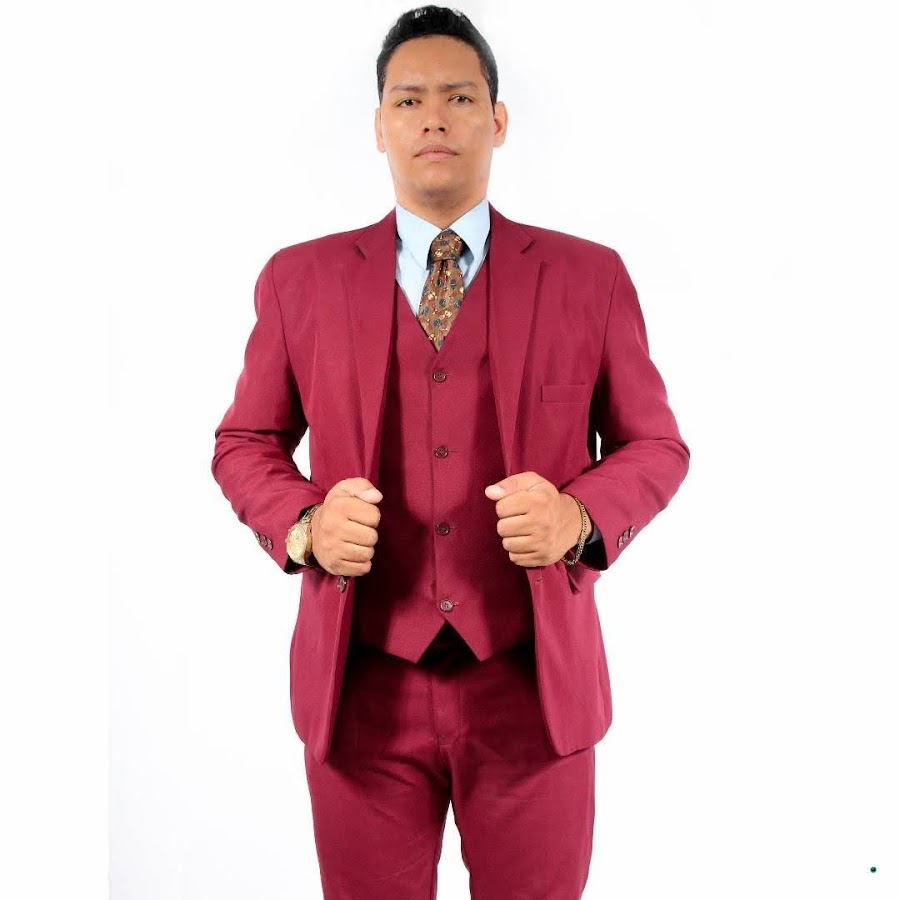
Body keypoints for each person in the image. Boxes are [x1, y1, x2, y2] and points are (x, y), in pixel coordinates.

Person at [211, 6, 689, 898]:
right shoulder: (299, 280)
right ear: (379, 125)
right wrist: (305, 525)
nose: (434, 117)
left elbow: (654, 444)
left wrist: (578, 515)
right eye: (409, 99)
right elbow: (246, 441)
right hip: (361, 686)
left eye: (460, 97)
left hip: (533, 685)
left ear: (497, 120)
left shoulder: (588, 277)